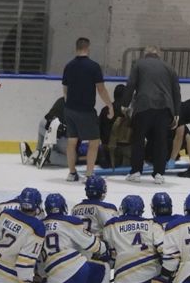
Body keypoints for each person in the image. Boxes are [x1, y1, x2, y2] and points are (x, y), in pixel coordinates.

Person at [39, 194, 110, 283]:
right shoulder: (70, 221)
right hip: (76, 270)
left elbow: (39, 266)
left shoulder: (37, 227)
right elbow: (92, 244)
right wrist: (104, 248)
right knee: (103, 268)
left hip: (54, 282)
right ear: (64, 207)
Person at [102, 196, 165, 283]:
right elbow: (165, 251)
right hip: (153, 276)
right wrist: (165, 279)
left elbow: (109, 251)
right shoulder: (152, 224)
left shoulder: (111, 225)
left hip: (129, 278)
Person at [121, 45, 181, 184]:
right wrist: (177, 112)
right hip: (164, 108)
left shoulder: (139, 64)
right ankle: (159, 173)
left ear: (145, 54)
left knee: (139, 140)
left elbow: (131, 85)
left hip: (143, 106)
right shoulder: (169, 67)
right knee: (161, 141)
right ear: (158, 54)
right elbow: (176, 91)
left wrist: (124, 104)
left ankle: (136, 172)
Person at [62, 37, 113, 181]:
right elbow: (101, 89)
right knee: (94, 141)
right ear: (88, 48)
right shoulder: (94, 67)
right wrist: (109, 105)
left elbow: (65, 89)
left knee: (72, 141)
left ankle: (72, 173)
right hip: (86, 110)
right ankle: (89, 174)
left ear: (76, 48)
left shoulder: (69, 66)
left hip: (70, 109)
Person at [70, 175, 118, 239]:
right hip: (98, 245)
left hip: (78, 244)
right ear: (103, 190)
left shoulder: (75, 208)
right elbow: (113, 231)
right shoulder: (107, 208)